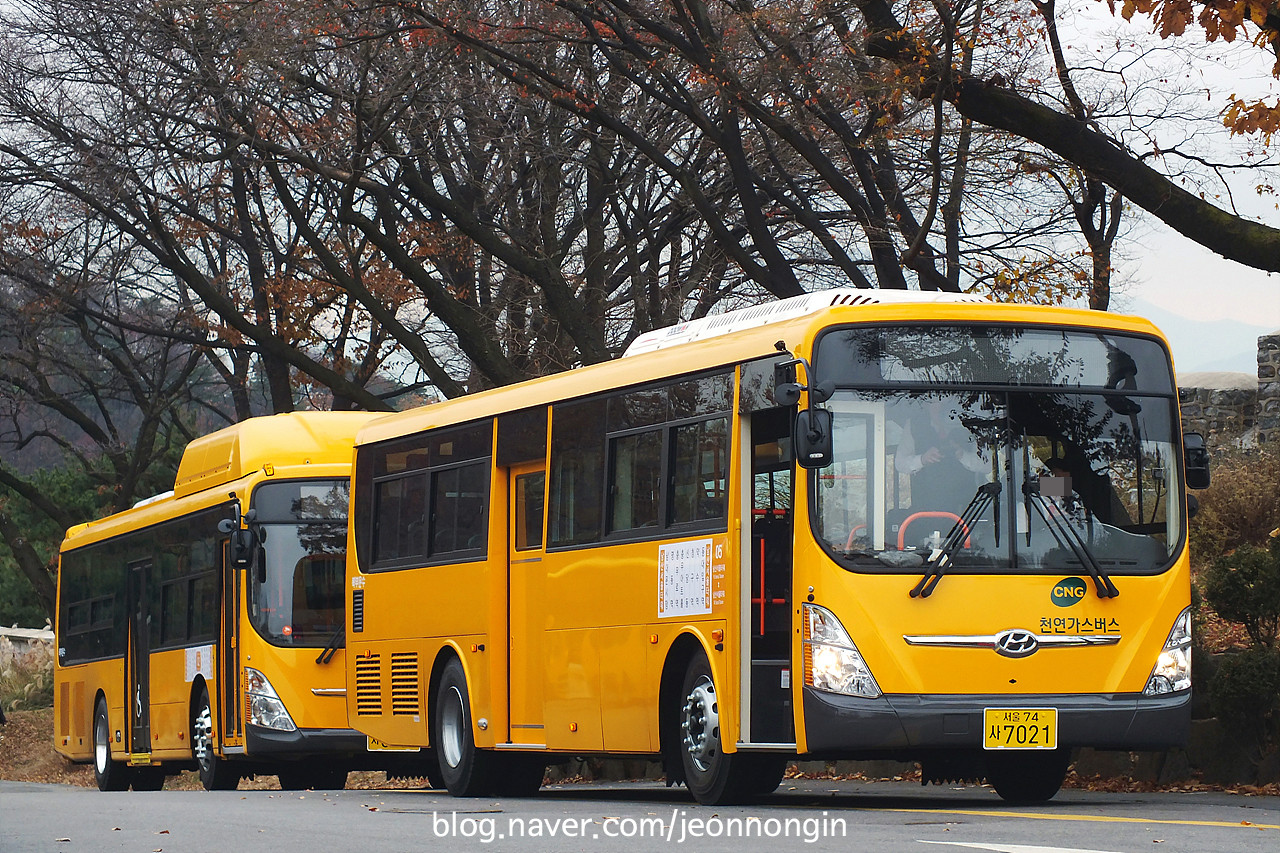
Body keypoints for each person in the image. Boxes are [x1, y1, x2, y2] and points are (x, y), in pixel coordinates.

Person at [896, 399, 989, 518]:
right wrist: (922, 459)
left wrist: (963, 456)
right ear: (925, 403)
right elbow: (900, 463)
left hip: (966, 511)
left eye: (946, 401)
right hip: (926, 510)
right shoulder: (914, 425)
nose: (941, 405)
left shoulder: (972, 423)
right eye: (935, 400)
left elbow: (987, 465)